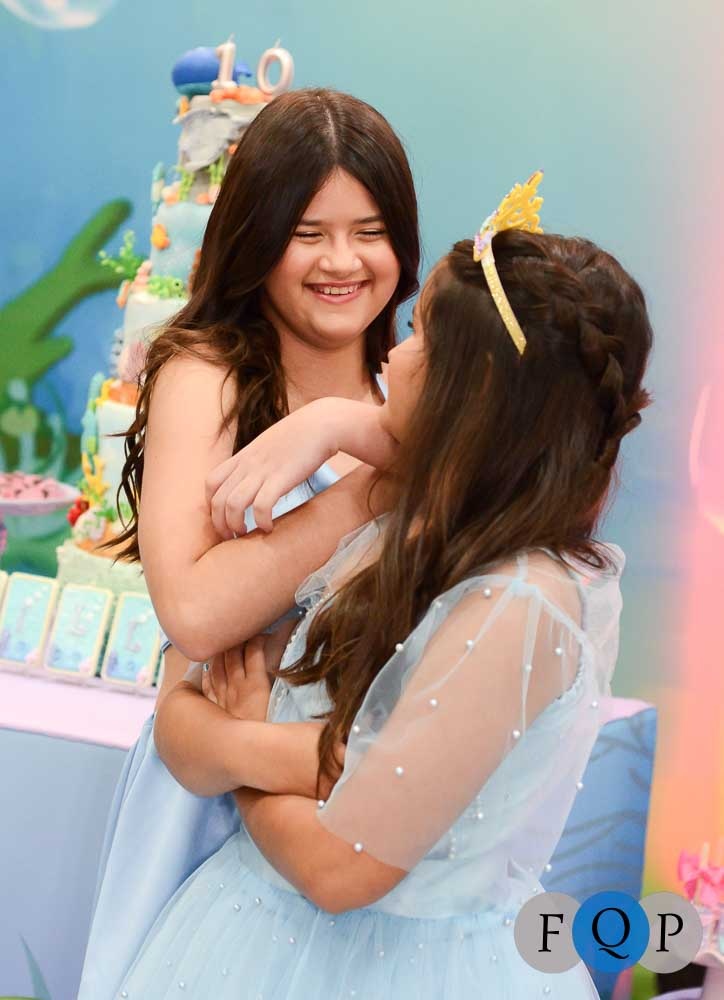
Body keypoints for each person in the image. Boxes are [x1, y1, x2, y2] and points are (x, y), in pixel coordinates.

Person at [116, 174, 654, 998]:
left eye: (421, 340)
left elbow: (341, 871)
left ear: (472, 393)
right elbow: (184, 707)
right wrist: (281, 752)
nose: (394, 356)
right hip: (256, 928)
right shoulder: (404, 526)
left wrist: (244, 739)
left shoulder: (517, 602)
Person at [78, 88, 419, 1000]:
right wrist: (372, 483)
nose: (342, 261)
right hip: (212, 808)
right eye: (308, 234)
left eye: (370, 231)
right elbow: (194, 614)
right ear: (256, 236)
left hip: (363, 802)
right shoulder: (207, 374)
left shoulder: (412, 390)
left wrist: (353, 431)